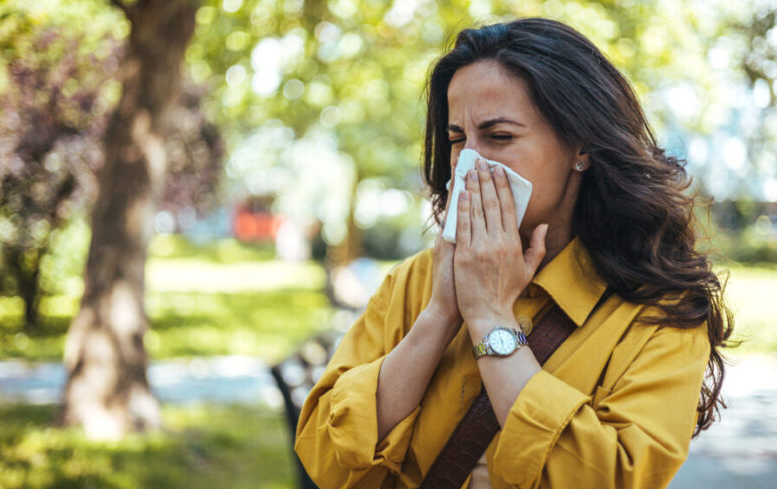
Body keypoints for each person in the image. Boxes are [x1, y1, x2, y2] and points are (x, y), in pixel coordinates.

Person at [294, 17, 733, 489]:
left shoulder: (659, 313)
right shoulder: (416, 281)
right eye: (458, 138)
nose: (468, 161)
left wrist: (489, 318)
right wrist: (440, 314)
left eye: (499, 137)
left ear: (580, 146)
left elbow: (610, 478)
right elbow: (324, 457)